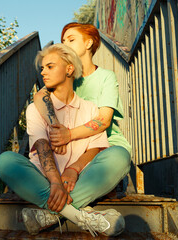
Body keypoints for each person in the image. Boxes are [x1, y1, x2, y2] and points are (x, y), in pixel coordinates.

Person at [0, 43, 129, 237]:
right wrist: (56, 182)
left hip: (81, 181)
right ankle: (81, 215)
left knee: (120, 155)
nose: (43, 72)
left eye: (50, 66)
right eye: (42, 68)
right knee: (6, 161)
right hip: (44, 180)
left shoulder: (90, 108)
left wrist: (73, 169)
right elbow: (41, 146)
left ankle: (48, 215)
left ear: (69, 69)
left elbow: (95, 148)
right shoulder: (35, 108)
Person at [33, 22, 132, 193]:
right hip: (70, 144)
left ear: (88, 43)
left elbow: (103, 120)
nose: (65, 44)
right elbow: (40, 96)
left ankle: (56, 209)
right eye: (63, 40)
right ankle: (67, 205)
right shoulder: (64, 75)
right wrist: (57, 127)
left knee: (117, 156)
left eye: (71, 40)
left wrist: (68, 134)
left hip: (103, 143)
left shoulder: (105, 77)